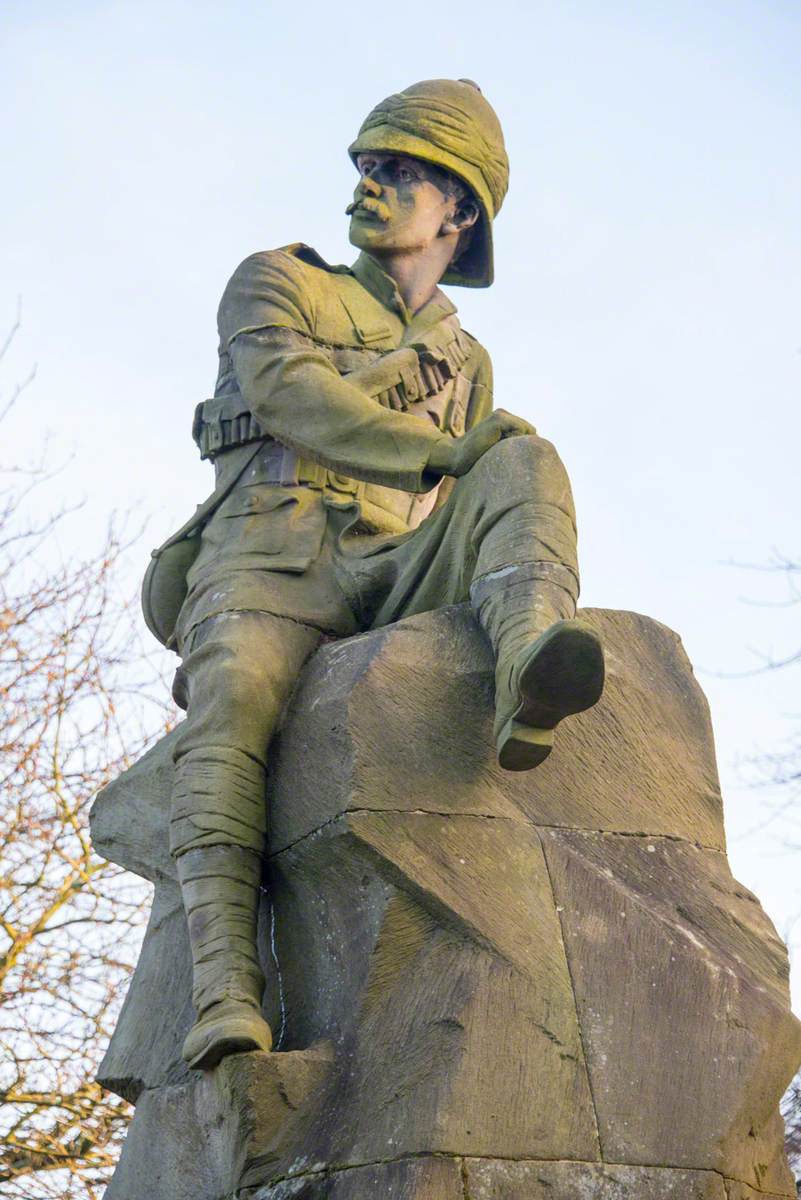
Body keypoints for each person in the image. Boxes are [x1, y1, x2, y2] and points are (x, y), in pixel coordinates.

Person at [142, 78, 605, 1071]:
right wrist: (440, 453)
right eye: (365, 166)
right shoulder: (278, 280)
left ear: (459, 210)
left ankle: (529, 655)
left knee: (524, 456)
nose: (369, 186)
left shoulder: (465, 356)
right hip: (271, 548)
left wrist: (470, 472)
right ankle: (225, 986)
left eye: (400, 172)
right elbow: (290, 393)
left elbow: (458, 488)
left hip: (395, 564)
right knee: (234, 704)